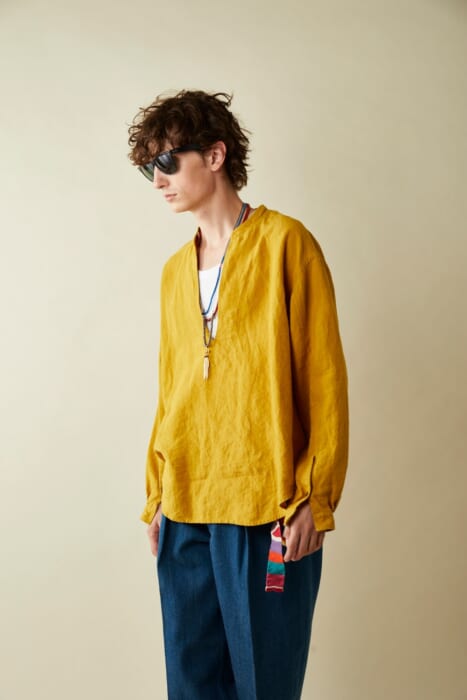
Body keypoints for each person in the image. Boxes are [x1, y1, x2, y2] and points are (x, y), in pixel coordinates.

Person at [128, 90, 349, 700]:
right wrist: (158, 494)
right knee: (191, 686)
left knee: (263, 686)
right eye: (148, 169)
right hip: (186, 508)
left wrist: (315, 497)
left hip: (267, 505)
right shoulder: (174, 272)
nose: (157, 181)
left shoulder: (286, 245)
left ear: (215, 154)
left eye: (167, 162)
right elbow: (171, 389)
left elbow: (324, 378)